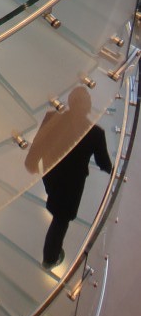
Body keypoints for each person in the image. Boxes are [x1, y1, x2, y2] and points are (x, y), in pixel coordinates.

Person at [25, 87, 112, 270]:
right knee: (61, 220)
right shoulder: (95, 133)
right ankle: (50, 259)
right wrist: (113, 170)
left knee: (60, 218)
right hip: (71, 186)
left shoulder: (53, 118)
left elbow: (37, 147)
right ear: (88, 106)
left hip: (52, 177)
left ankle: (51, 256)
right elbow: (104, 163)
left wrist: (32, 164)